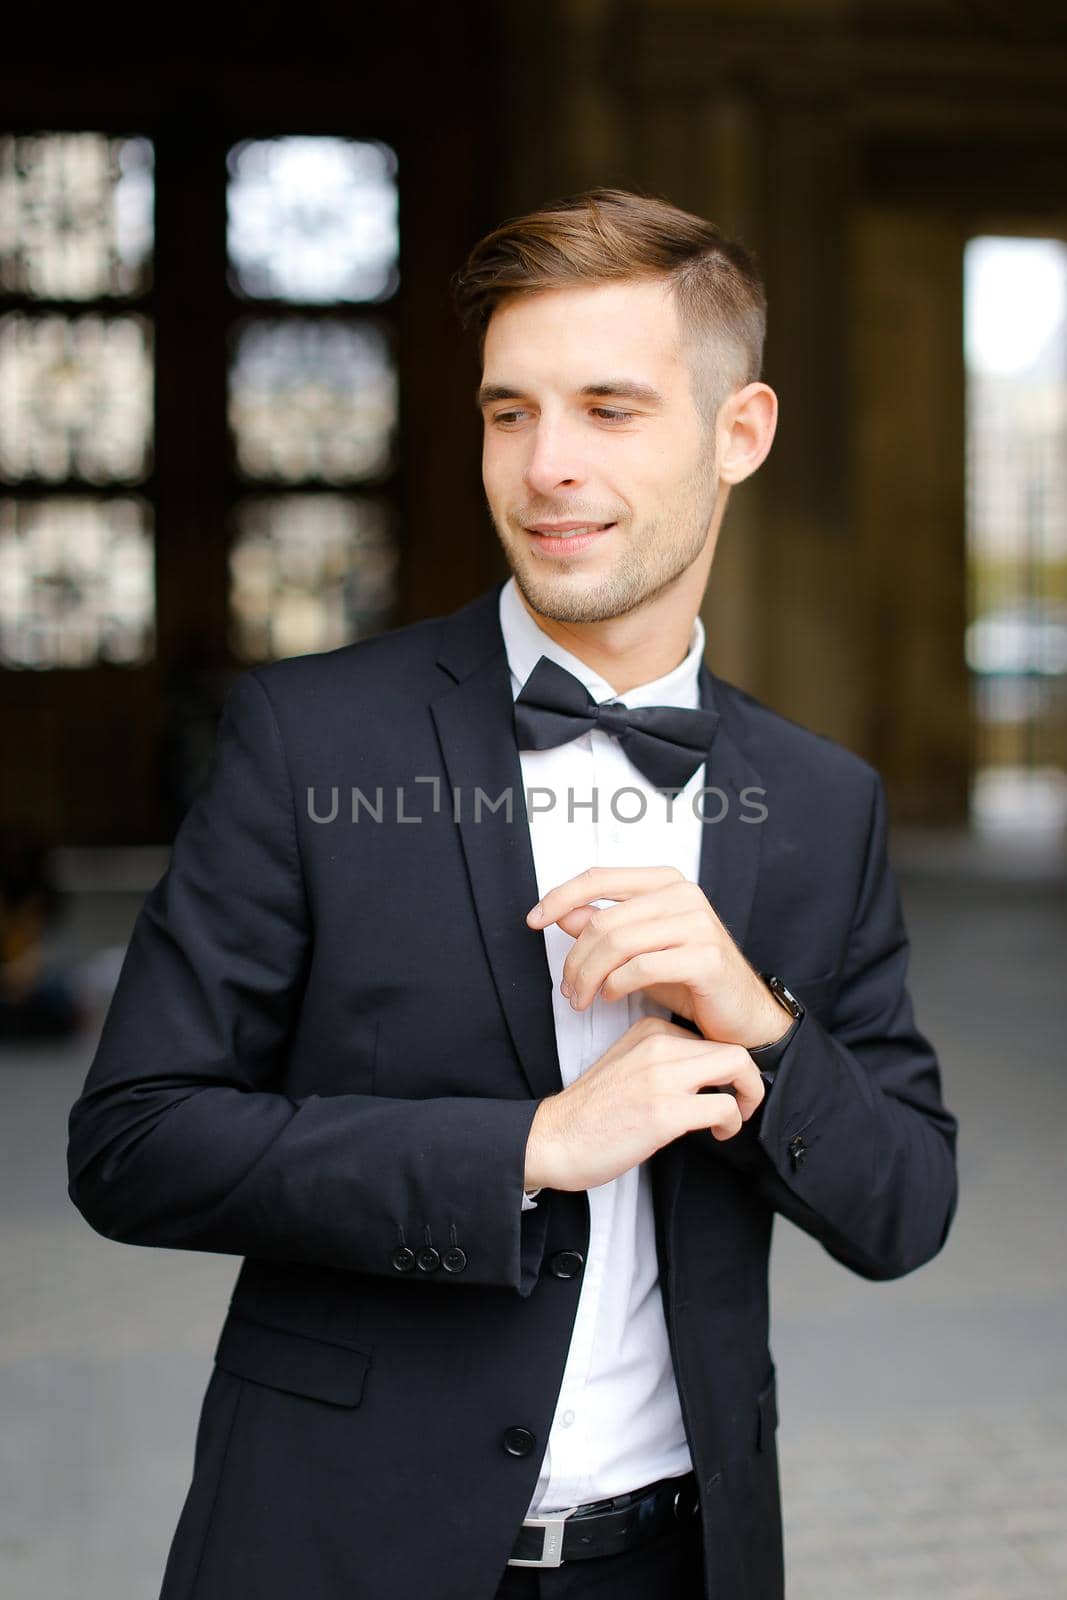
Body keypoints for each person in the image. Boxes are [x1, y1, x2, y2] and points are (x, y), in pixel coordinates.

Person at [67, 188, 958, 1600]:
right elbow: (134, 1143)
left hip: (683, 1558)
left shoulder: (822, 800)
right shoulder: (312, 743)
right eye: (509, 412)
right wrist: (526, 1147)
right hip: (340, 1552)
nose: (546, 466)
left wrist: (765, 1031)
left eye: (610, 409)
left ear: (743, 433)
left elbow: (907, 1208)